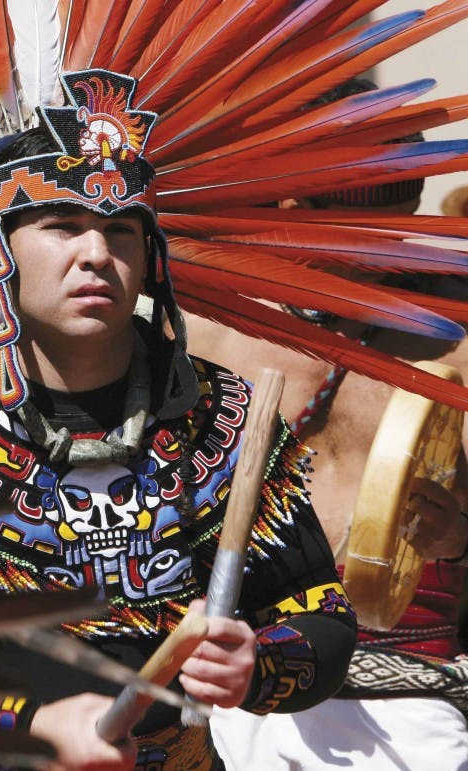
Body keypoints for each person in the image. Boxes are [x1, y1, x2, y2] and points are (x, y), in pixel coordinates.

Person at [0, 69, 357, 771]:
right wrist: (25, 724)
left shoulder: (227, 417)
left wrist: (259, 660)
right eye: (62, 226)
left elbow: (320, 614)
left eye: (120, 231)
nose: (96, 253)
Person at [199, 83, 468, 770]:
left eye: (386, 202)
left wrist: (460, 542)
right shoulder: (208, 331)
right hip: (235, 692)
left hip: (406, 707)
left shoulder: (455, 342)